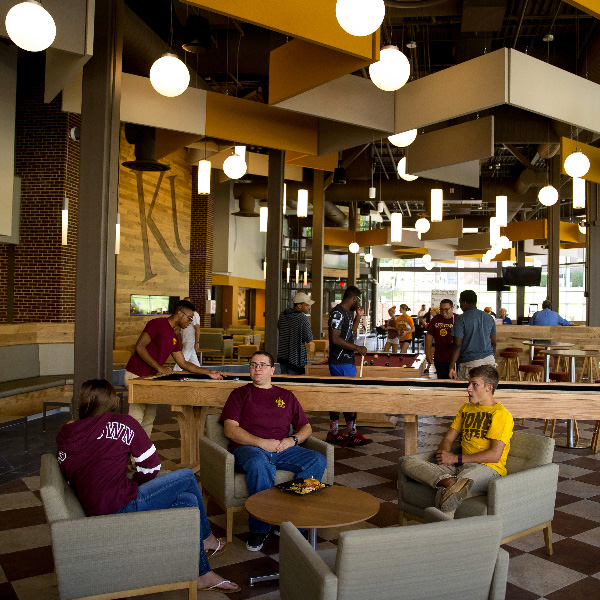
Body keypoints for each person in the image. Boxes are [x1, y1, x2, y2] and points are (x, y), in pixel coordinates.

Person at [56, 379, 240, 593]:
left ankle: (202, 574)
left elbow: (69, 473)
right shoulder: (124, 423)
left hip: (94, 509)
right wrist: (135, 485)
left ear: (82, 402)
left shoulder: (66, 433)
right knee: (187, 476)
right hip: (121, 505)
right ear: (113, 401)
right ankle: (208, 538)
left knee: (188, 501)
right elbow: (152, 466)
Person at [220, 351, 327, 551]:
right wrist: (262, 443)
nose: (257, 368)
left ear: (272, 369)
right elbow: (230, 430)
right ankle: (260, 529)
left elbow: (306, 428)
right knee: (259, 464)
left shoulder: (286, 395)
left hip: (282, 449)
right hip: (249, 449)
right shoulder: (240, 394)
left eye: (262, 365)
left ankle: (292, 519)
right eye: (253, 364)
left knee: (317, 460)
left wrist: (293, 440)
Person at [400, 365, 513, 514]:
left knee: (450, 493)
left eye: (475, 385)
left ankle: (450, 488)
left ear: (489, 388)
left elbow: (494, 455)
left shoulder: (501, 414)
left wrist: (455, 459)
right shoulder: (466, 408)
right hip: (460, 467)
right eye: (469, 384)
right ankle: (449, 481)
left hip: (488, 469)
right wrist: (444, 457)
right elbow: (448, 439)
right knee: (407, 462)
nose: (468, 389)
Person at [125, 299, 224, 436]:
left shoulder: (174, 337)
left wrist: (208, 372)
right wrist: (159, 368)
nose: (190, 322)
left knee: (148, 419)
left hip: (151, 378)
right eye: (189, 318)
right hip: (136, 374)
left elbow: (184, 363)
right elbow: (139, 347)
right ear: (179, 314)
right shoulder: (157, 323)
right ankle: (126, 454)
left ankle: (140, 455)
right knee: (136, 418)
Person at [326, 285, 372, 447]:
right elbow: (335, 339)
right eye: (357, 300)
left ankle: (335, 432)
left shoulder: (345, 313)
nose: (358, 303)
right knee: (347, 396)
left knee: (343, 396)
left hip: (346, 360)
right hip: (341, 362)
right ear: (354, 298)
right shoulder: (338, 313)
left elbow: (350, 334)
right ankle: (350, 433)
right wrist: (357, 348)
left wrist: (358, 316)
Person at [448, 290, 496, 380]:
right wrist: (492, 357)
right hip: (489, 361)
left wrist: (451, 366)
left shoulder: (461, 319)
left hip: (470, 364)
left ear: (464, 303)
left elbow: (457, 344)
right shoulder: (489, 318)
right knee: (487, 391)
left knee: (468, 392)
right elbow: (493, 342)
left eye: (460, 302)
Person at [277, 291, 314, 375]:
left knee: (285, 383)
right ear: (299, 306)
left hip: (283, 356)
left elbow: (280, 328)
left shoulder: (283, 315)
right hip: (296, 358)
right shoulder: (302, 318)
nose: (309, 307)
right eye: (307, 305)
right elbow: (308, 338)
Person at [425, 298, 456, 380]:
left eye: (446, 309)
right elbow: (429, 336)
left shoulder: (457, 318)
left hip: (455, 359)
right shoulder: (435, 319)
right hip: (440, 358)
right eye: (441, 309)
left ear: (452, 308)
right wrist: (427, 353)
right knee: (442, 382)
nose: (443, 311)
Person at [173, 296, 201, 371]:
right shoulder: (183, 315)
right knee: (193, 360)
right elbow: (179, 328)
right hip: (185, 340)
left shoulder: (194, 314)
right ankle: (199, 372)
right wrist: (171, 335)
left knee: (183, 358)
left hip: (190, 340)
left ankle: (176, 371)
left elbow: (197, 328)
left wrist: (197, 341)